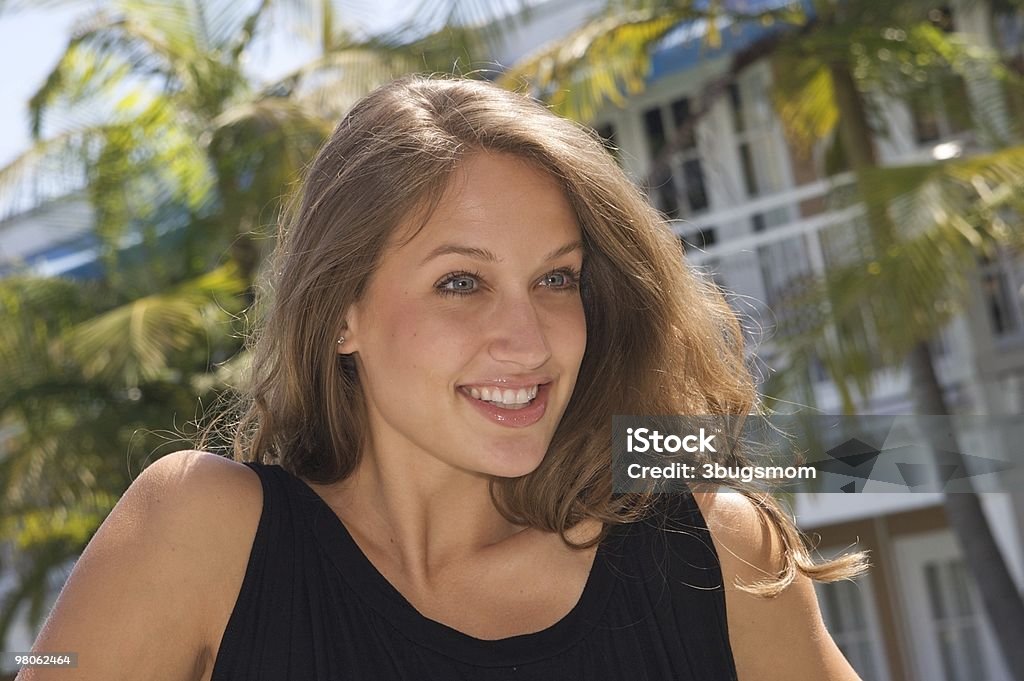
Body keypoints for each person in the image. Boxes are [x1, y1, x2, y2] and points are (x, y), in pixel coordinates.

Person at [20, 75, 869, 681]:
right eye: (461, 283)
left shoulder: (709, 550)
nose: (528, 341)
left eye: (556, 278)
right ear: (341, 312)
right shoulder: (202, 531)